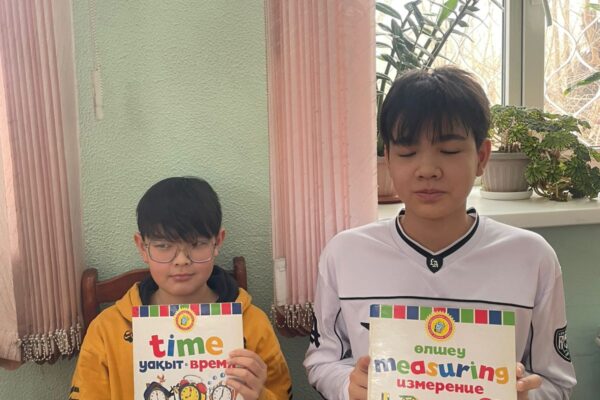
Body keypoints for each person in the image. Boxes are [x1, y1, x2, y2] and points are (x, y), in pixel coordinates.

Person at [304, 66, 576, 400]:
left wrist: (526, 396)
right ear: (387, 159)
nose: (428, 170)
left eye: (449, 151)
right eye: (407, 153)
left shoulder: (531, 257)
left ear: (482, 157)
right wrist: (348, 386)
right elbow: (322, 360)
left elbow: (558, 382)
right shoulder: (345, 254)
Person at [71, 176, 292, 400]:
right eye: (163, 246)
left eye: (197, 244)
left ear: (217, 242)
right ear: (142, 247)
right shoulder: (106, 330)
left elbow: (281, 393)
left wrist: (260, 395)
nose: (181, 260)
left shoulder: (253, 324)